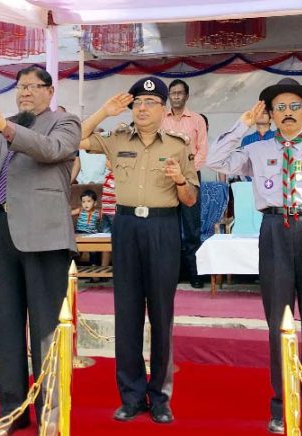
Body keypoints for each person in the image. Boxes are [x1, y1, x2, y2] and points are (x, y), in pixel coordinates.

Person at [206, 77, 302, 436]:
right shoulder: (257, 151)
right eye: (280, 108)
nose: (287, 114)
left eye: (294, 107)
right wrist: (243, 123)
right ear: (270, 114)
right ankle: (282, 404)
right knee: (278, 323)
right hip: (273, 232)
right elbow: (214, 159)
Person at [80, 76, 199, 425]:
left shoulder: (179, 144)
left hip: (163, 227)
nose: (142, 108)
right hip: (126, 226)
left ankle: (160, 397)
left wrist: (179, 179)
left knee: (161, 314)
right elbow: (73, 138)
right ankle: (131, 395)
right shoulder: (117, 138)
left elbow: (190, 199)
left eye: (150, 103)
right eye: (137, 103)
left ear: (164, 108)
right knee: (127, 312)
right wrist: (104, 110)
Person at [0, 65, 80, 435]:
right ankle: (11, 410)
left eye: (32, 87)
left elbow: (50, 151)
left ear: (50, 91)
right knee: (8, 325)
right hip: (2, 230)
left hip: (45, 236)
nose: (24, 92)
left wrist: (5, 129)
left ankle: (50, 413)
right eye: (19, 87)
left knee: (46, 329)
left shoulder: (64, 123)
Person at [162, 78, 206, 288]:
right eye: (173, 93)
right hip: (165, 179)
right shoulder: (161, 119)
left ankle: (194, 274)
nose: (176, 96)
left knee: (191, 228)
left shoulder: (197, 120)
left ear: (187, 96)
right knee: (168, 227)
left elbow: (202, 150)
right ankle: (172, 273)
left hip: (190, 179)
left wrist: (188, 172)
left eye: (180, 93)